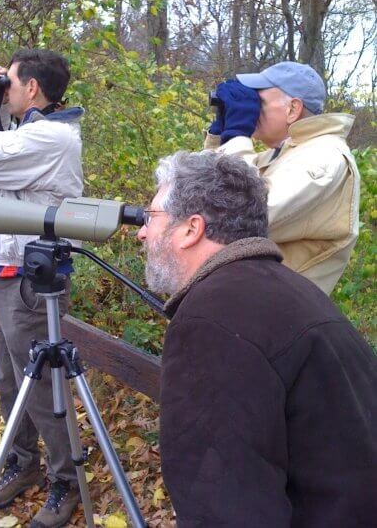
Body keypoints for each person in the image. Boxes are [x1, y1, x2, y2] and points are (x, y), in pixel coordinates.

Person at [138, 150, 377, 528]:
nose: (141, 231)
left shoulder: (211, 322)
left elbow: (222, 506)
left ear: (190, 229)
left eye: (151, 217)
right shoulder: (292, 291)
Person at [0, 49, 83, 527]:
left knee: (42, 388)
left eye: (12, 82)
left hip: (29, 280)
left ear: (32, 89)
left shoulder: (50, 136)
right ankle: (24, 464)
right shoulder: (27, 130)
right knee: (10, 383)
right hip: (0, 271)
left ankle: (65, 479)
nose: (4, 90)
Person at [204, 61, 360, 295]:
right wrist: (220, 138)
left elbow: (242, 214)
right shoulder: (284, 155)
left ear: (292, 109)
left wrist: (237, 136)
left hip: (277, 310)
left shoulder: (324, 157)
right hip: (255, 297)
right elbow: (204, 196)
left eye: (259, 100)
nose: (252, 108)